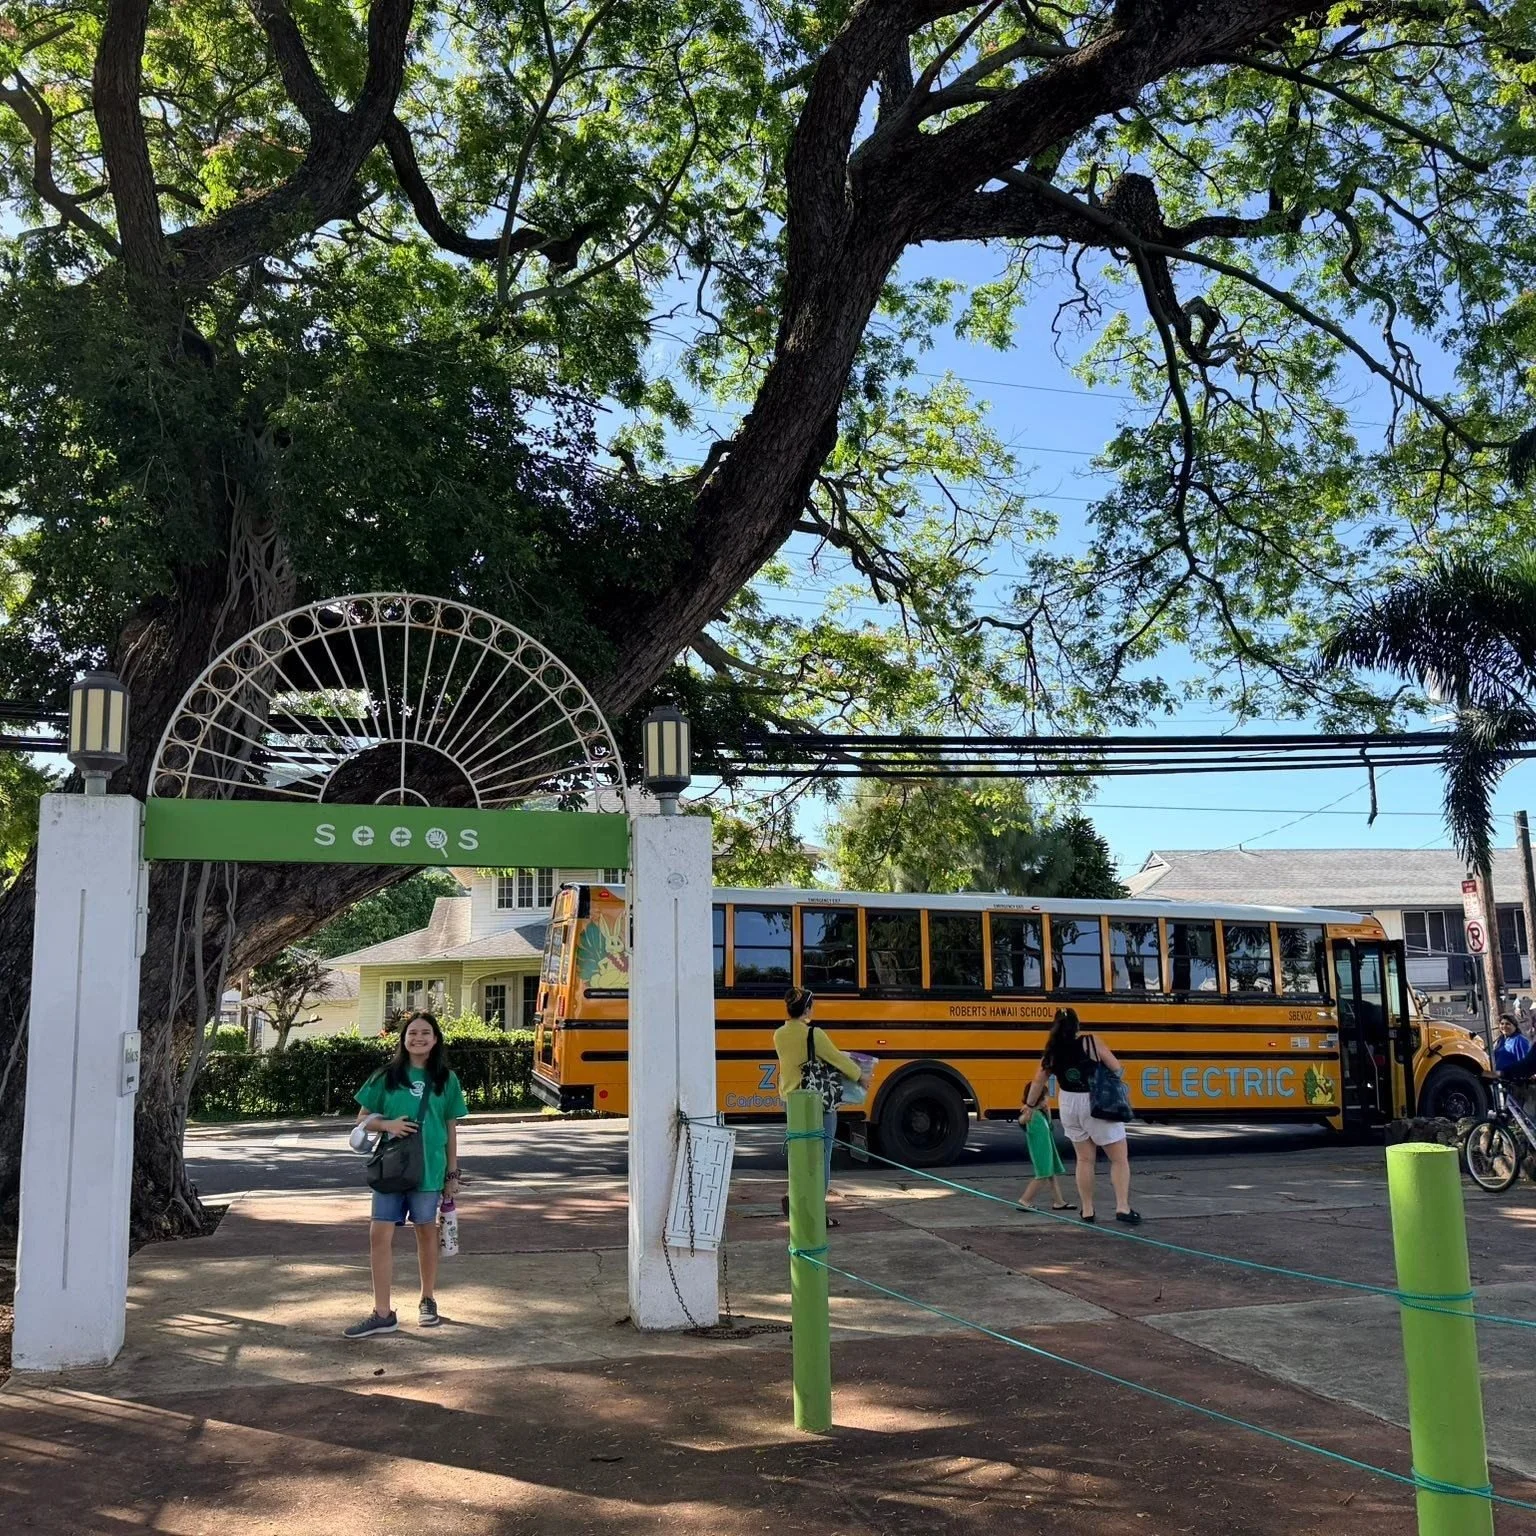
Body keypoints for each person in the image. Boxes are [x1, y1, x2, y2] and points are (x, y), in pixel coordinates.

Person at [345, 1010, 467, 1337]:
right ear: (403, 1038)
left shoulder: (446, 1080)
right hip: (391, 1169)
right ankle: (382, 1312)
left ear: (436, 1039)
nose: (418, 1038)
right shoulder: (386, 1075)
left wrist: (452, 1174)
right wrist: (389, 1125)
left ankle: (427, 1299)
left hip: (430, 1170)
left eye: (425, 1033)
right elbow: (362, 1119)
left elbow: (451, 1128)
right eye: (412, 1033)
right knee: (378, 1235)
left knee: (426, 1232)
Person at [1022, 1006, 1140, 1225]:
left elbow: (1038, 1081)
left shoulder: (1052, 1050)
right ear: (1077, 1025)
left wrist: (1029, 1106)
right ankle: (1122, 1207)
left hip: (1068, 1104)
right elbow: (1117, 1068)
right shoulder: (1091, 1041)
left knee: (1084, 1159)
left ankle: (1087, 1209)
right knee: (1119, 1159)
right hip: (1095, 1102)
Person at [774, 986, 862, 1227]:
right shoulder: (815, 1034)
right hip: (817, 1103)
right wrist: (859, 1075)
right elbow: (838, 1059)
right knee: (821, 1158)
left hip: (791, 1102)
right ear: (807, 1009)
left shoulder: (779, 1035)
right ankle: (815, 1213)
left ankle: (795, 1199)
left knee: (799, 1155)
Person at [1017, 1092, 1074, 1212]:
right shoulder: (1031, 1112)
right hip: (1040, 1150)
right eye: (1046, 1098)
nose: (1048, 1100)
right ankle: (1025, 1200)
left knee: (1051, 1174)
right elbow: (1022, 1120)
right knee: (1043, 1174)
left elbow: (1050, 1127)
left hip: (1047, 1148)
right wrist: (1026, 1115)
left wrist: (1048, 1113)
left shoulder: (1041, 1113)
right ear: (1040, 1099)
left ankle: (1059, 1201)